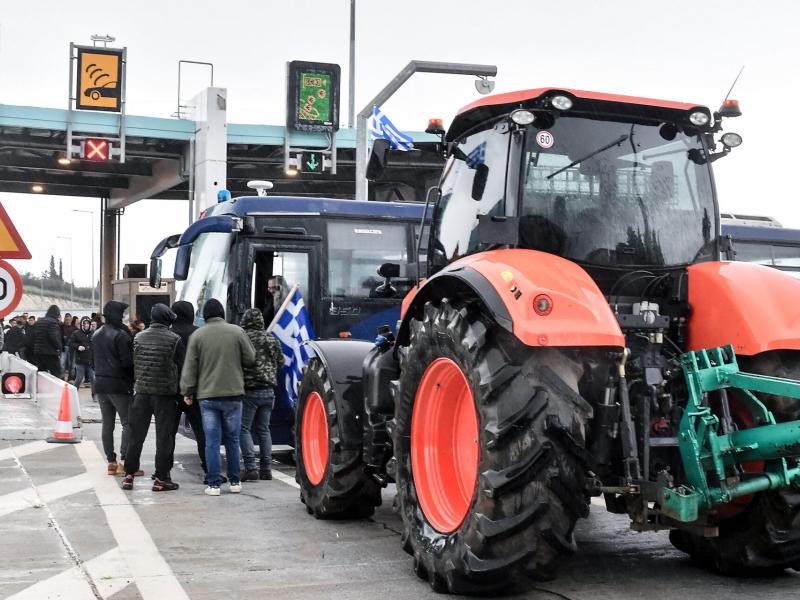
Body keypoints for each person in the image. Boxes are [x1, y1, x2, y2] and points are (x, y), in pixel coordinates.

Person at [180, 299, 255, 496]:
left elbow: (190, 367)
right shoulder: (237, 332)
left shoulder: (198, 335)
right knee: (232, 440)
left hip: (208, 397)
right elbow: (250, 359)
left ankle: (213, 484)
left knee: (211, 441)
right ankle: (235, 481)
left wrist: (187, 391)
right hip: (233, 395)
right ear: (222, 313)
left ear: (205, 315)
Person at [122, 304, 184, 492]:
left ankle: (129, 475)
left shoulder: (138, 337)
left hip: (141, 393)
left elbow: (133, 363)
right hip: (165, 395)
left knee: (136, 435)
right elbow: (182, 367)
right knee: (164, 437)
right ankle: (161, 478)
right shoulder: (175, 340)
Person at [93, 301, 139, 476]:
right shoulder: (121, 335)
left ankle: (111, 462)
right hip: (119, 385)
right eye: (121, 314)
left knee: (108, 424)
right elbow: (128, 363)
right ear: (116, 315)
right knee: (128, 423)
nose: (122, 317)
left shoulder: (96, 334)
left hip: (101, 384)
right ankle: (126, 461)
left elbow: (93, 360)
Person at [239, 308, 284, 481]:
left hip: (249, 391)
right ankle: (266, 468)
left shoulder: (243, 338)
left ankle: (251, 466)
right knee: (264, 430)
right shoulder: (271, 338)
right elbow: (281, 361)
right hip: (269, 392)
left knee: (244, 429)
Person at [169, 300, 210, 479]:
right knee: (202, 432)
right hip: (196, 391)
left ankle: (163, 472)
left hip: (171, 392)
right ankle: (208, 468)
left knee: (168, 433)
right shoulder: (199, 333)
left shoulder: (168, 334)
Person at [31, 305, 63, 377]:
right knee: (57, 374)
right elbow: (54, 337)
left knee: (41, 374)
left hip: (38, 352)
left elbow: (34, 336)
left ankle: (40, 388)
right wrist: (59, 348)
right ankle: (56, 388)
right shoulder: (53, 322)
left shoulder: (39, 321)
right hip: (50, 353)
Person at [69, 317, 94, 393]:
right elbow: (70, 343)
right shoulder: (76, 333)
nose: (86, 325)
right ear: (81, 325)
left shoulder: (93, 333)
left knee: (93, 378)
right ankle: (73, 393)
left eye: (87, 323)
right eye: (84, 323)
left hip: (91, 361)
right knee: (79, 378)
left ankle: (95, 395)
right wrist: (78, 346)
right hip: (80, 360)